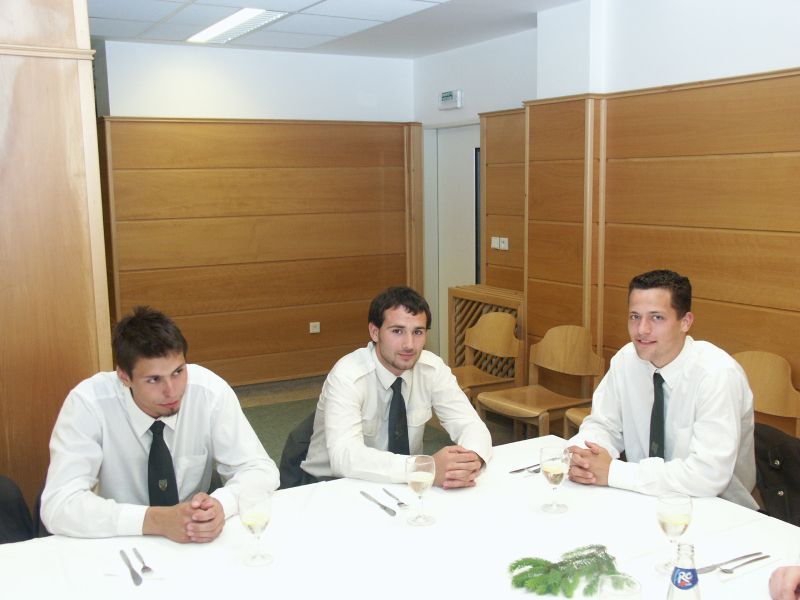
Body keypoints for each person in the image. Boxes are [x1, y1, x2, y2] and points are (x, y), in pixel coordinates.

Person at [41, 306, 279, 542]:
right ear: (124, 376)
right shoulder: (88, 403)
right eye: (154, 379)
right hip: (120, 538)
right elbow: (58, 505)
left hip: (194, 536)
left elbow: (260, 469)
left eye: (178, 372)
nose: (171, 391)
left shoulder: (209, 392)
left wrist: (221, 505)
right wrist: (155, 520)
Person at [568, 269, 757, 509]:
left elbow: (708, 475)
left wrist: (614, 472)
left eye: (656, 318)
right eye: (635, 317)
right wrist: (583, 457)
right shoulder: (626, 360)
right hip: (644, 496)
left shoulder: (717, 374)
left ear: (685, 322)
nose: (642, 330)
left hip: (718, 507)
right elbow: (603, 425)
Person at [301, 286, 492, 488]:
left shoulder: (432, 369)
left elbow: (470, 424)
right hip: (332, 484)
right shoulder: (347, 375)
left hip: (403, 481)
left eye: (418, 332)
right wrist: (423, 468)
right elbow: (344, 457)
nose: (409, 344)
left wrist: (470, 460)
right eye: (397, 331)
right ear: (375, 332)